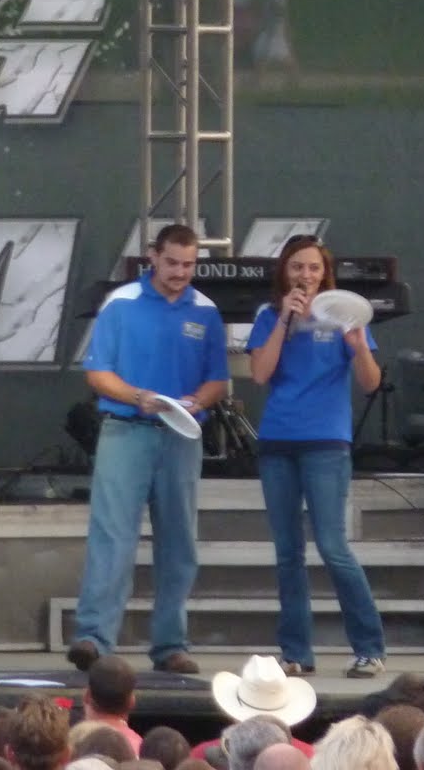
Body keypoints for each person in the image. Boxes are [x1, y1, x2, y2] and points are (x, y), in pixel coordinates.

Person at [68, 223, 230, 674]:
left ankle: (170, 645)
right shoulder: (120, 304)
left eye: (189, 265)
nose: (180, 272)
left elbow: (219, 378)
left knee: (179, 541)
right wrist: (140, 397)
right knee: (113, 536)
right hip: (126, 428)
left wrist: (199, 400)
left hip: (181, 433)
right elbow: (98, 374)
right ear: (152, 257)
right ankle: (93, 639)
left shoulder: (206, 310)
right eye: (173, 262)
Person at [246, 233, 385, 679]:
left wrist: (359, 343)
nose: (305, 275)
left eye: (313, 268)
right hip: (278, 443)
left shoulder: (345, 317)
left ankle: (368, 647)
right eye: (297, 267)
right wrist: (286, 322)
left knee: (332, 545)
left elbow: (370, 383)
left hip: (326, 442)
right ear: (284, 273)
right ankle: (296, 652)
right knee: (288, 551)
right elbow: (260, 374)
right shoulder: (269, 315)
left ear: (326, 273)